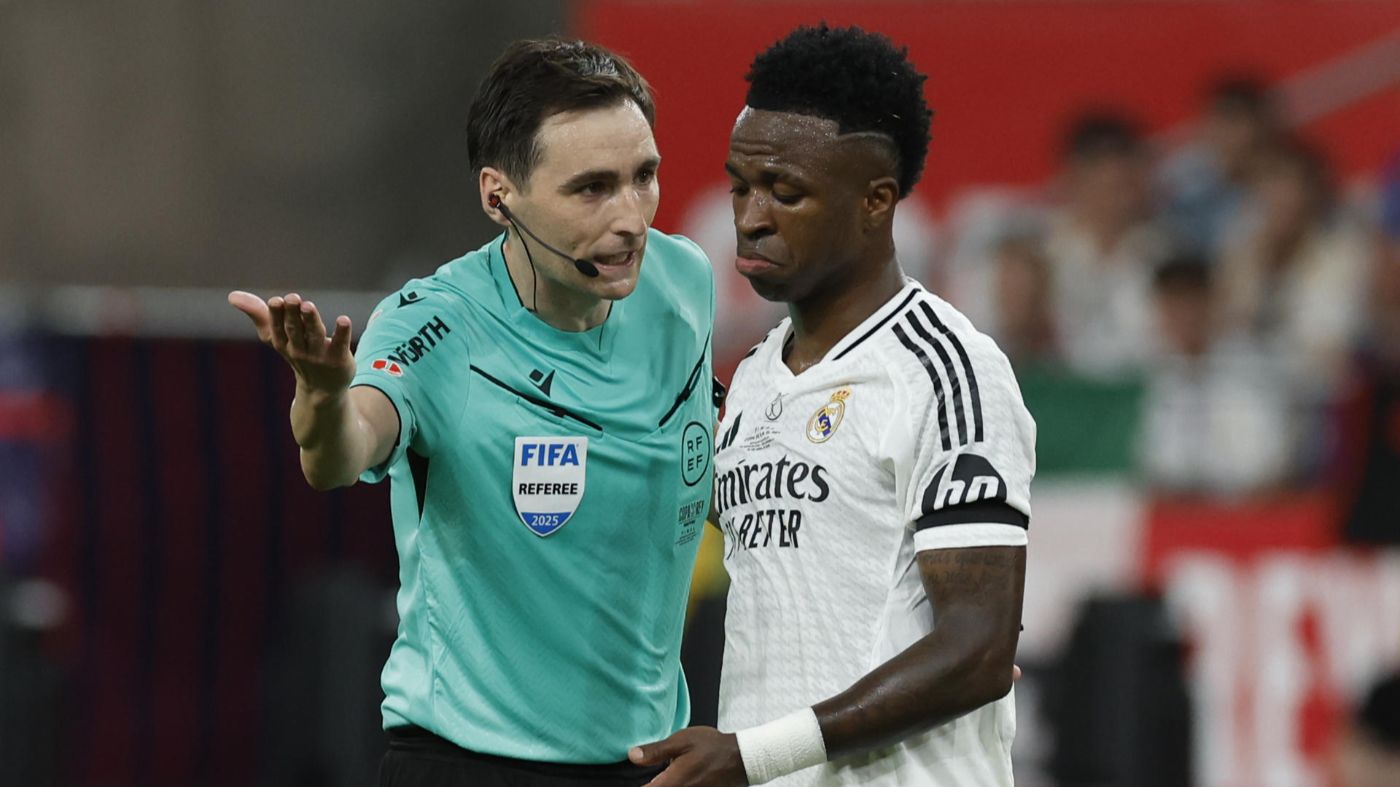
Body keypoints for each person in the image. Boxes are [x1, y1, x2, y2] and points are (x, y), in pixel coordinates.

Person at [228, 37, 717, 787]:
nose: (630, 218)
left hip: (644, 761)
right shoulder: (436, 325)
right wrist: (323, 396)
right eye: (591, 188)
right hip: (469, 762)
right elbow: (341, 453)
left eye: (642, 176)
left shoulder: (684, 282)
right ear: (498, 196)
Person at [630, 24, 1031, 786]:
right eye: (740, 187)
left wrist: (753, 754)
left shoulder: (947, 371)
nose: (751, 217)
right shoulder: (756, 378)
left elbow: (979, 651)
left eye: (785, 192)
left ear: (876, 201)